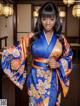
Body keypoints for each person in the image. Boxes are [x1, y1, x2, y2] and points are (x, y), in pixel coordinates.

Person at [1, 2, 73, 106]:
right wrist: (6, 54)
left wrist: (59, 64)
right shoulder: (32, 37)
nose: (48, 23)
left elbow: (69, 55)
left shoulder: (61, 39)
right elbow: (17, 51)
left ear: (56, 19)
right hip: (35, 79)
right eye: (44, 19)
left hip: (53, 79)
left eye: (51, 19)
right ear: (40, 19)